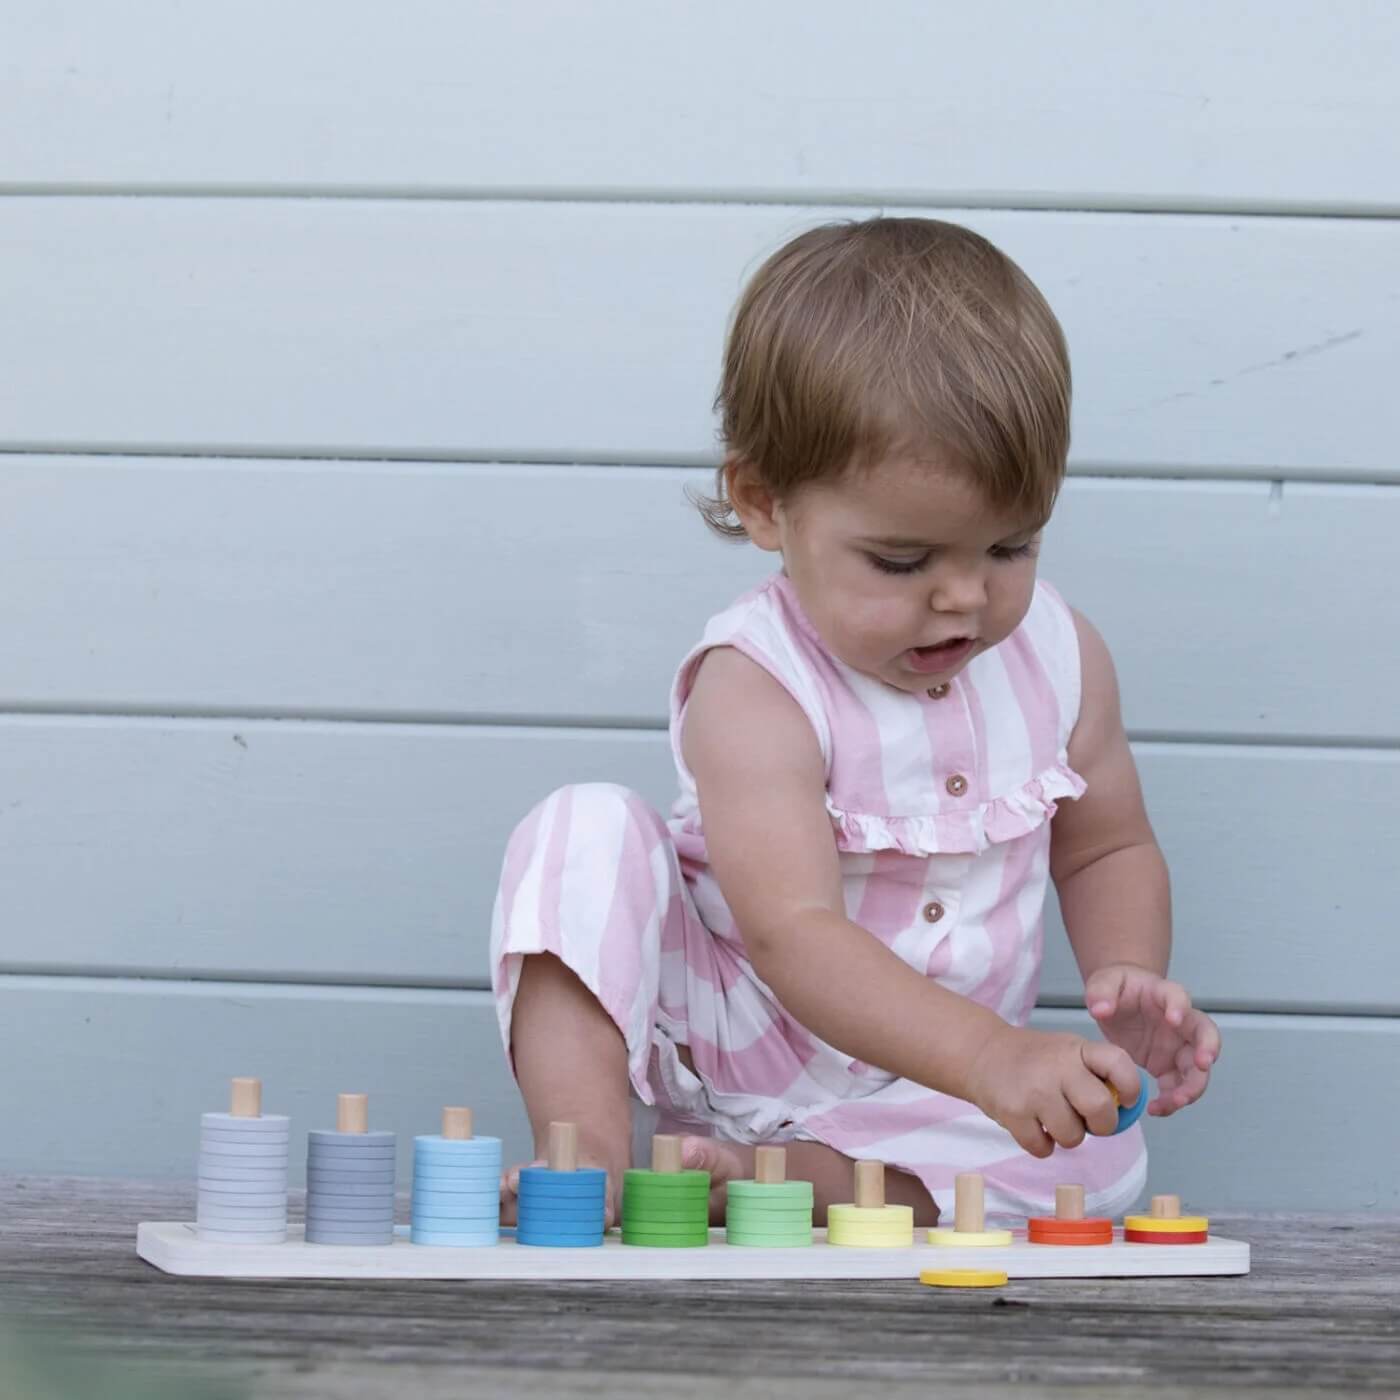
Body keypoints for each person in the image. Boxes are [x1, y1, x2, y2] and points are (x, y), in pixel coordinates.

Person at [490, 216, 1220, 1227]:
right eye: (902, 561)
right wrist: (990, 1054)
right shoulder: (758, 685)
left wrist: (1126, 972)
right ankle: (589, 1152)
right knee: (581, 827)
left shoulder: (1060, 657)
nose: (964, 597)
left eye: (1009, 546)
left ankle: (769, 1178)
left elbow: (1107, 846)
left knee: (1096, 1158)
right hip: (740, 1031)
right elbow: (792, 933)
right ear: (763, 504)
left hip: (933, 1089)